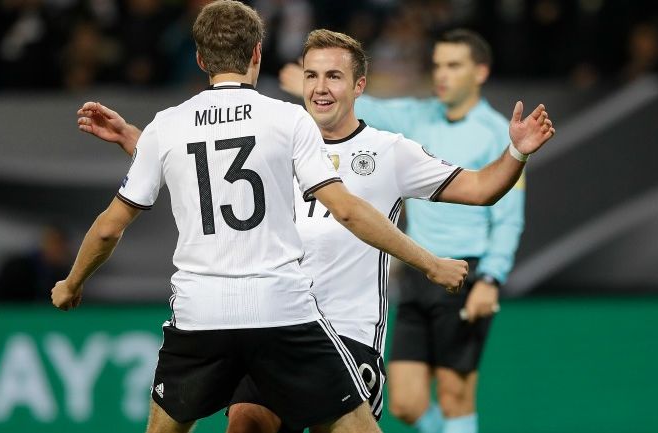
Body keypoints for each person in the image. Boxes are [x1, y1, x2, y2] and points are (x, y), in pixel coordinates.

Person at [76, 27, 554, 433]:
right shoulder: (276, 136)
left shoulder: (390, 151)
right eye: (311, 75)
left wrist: (516, 153)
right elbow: (195, 166)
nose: (320, 88)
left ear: (359, 84)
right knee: (244, 422)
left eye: (334, 76)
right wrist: (135, 142)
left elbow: (479, 188)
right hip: (275, 326)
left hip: (346, 335)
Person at [281, 29, 530, 433]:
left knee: (454, 394)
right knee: (409, 404)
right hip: (413, 275)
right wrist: (316, 84)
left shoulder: (495, 131)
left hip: (462, 271)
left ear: (480, 72)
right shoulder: (418, 117)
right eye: (437, 65)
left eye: (454, 65)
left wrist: (491, 277)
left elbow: (501, 206)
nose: (442, 75)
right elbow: (366, 108)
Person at [0, 225, 71, 302]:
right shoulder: (18, 268)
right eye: (53, 243)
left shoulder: (62, 276)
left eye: (60, 245)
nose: (56, 249)